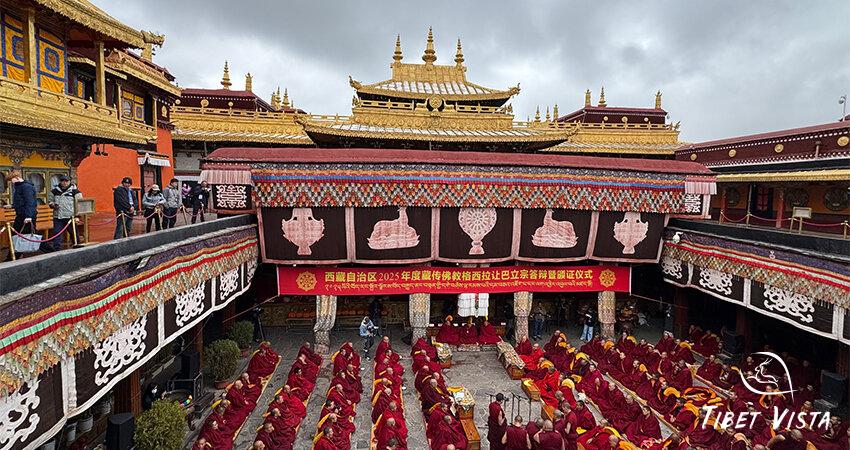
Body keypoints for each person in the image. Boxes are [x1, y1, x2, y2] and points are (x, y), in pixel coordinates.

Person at [47, 175, 82, 251]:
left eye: (66, 181)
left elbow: (79, 205)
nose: (64, 183)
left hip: (70, 216)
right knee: (57, 233)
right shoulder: (54, 191)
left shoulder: (75, 192)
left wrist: (77, 216)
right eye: (63, 181)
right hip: (58, 216)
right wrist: (52, 205)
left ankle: (77, 246)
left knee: (73, 233)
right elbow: (50, 201)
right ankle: (56, 249)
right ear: (60, 182)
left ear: (69, 182)